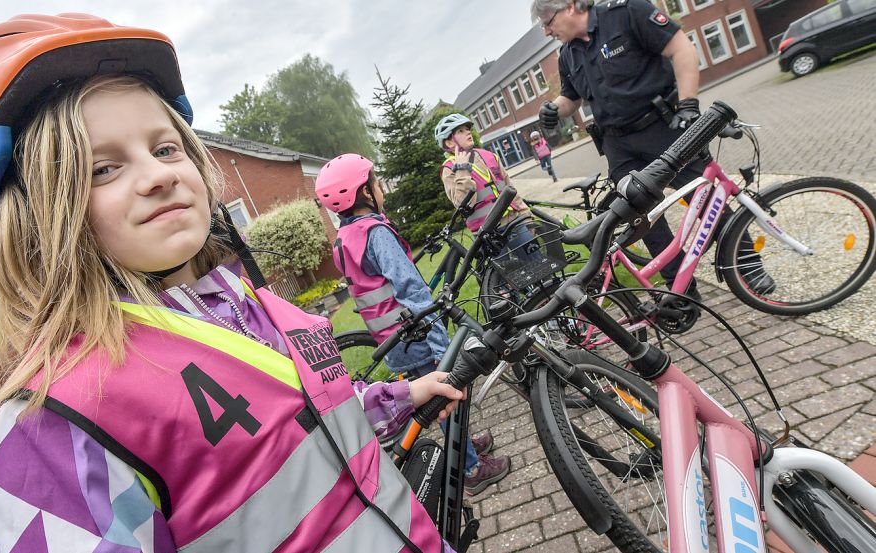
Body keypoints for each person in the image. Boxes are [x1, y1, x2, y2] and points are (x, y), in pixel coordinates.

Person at [0, 13, 471, 552]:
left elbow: (314, 418)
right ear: (38, 221)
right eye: (102, 168)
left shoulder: (251, 304)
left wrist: (400, 395)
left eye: (165, 148)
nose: (158, 175)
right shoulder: (57, 422)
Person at [531, 0, 775, 295]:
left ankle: (747, 266)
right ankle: (680, 288)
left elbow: (680, 48)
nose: (546, 32)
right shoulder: (567, 55)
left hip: (663, 128)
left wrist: (688, 105)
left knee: (705, 197)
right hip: (618, 146)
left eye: (547, 23)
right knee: (639, 216)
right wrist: (554, 109)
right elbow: (571, 100)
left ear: (570, 6)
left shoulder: (627, 13)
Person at [316, 154, 511, 495]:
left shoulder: (344, 239)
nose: (381, 189)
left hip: (393, 341)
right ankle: (471, 469)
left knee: (442, 398)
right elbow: (410, 288)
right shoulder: (375, 233)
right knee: (447, 393)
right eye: (375, 183)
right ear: (363, 193)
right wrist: (441, 343)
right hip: (416, 335)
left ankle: (465, 449)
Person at [434, 114, 542, 264]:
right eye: (460, 131)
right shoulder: (449, 169)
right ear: (449, 142)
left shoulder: (489, 156)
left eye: (467, 129)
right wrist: (462, 169)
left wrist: (526, 215)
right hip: (486, 234)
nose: (467, 132)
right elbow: (462, 204)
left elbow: (510, 189)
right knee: (504, 281)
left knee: (539, 264)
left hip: (514, 223)